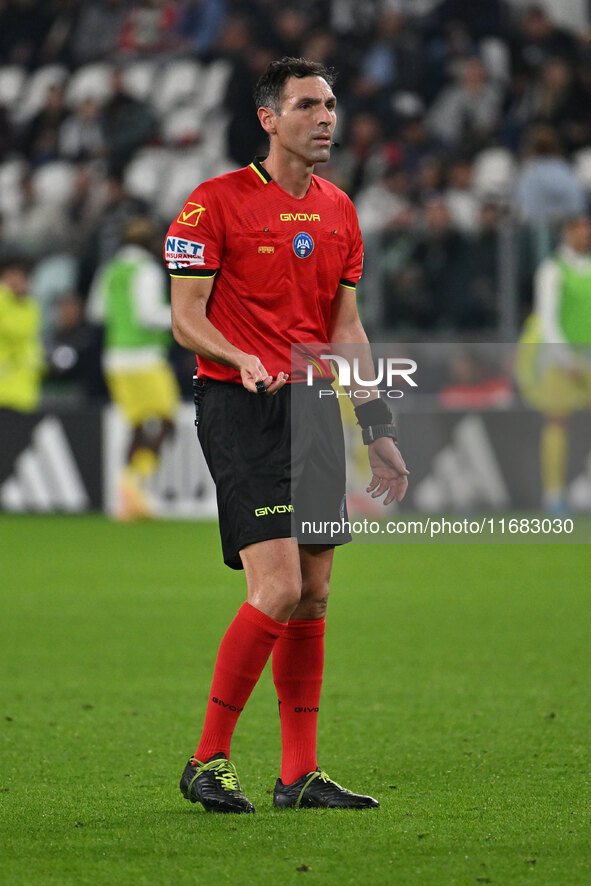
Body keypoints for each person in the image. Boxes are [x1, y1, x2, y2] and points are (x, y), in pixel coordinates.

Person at [165, 57, 409, 814]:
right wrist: (236, 356)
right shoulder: (213, 204)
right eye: (308, 105)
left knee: (314, 594)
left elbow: (346, 328)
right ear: (270, 119)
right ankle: (207, 759)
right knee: (276, 587)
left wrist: (377, 425)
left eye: (331, 104)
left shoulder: (339, 209)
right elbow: (185, 314)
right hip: (240, 404)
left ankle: (297, 774)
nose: (326, 117)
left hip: (310, 408)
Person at [87, 216, 179, 521]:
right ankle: (133, 483)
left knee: (138, 425)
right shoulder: (146, 270)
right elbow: (148, 315)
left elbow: (97, 312)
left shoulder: (110, 269)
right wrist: (183, 317)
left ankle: (129, 492)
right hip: (145, 357)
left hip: (115, 358)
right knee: (166, 421)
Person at [516, 215, 591, 513]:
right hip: (562, 359)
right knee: (558, 421)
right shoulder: (552, 270)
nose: (585, 234)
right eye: (580, 229)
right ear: (566, 233)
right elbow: (547, 317)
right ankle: (554, 493)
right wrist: (564, 356)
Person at [0, 259, 43, 413]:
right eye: (12, 276)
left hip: (24, 388)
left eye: (20, 277)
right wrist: (5, 295)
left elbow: (24, 330)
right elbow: (10, 329)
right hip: (3, 389)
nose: (16, 282)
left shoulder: (30, 305)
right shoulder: (3, 301)